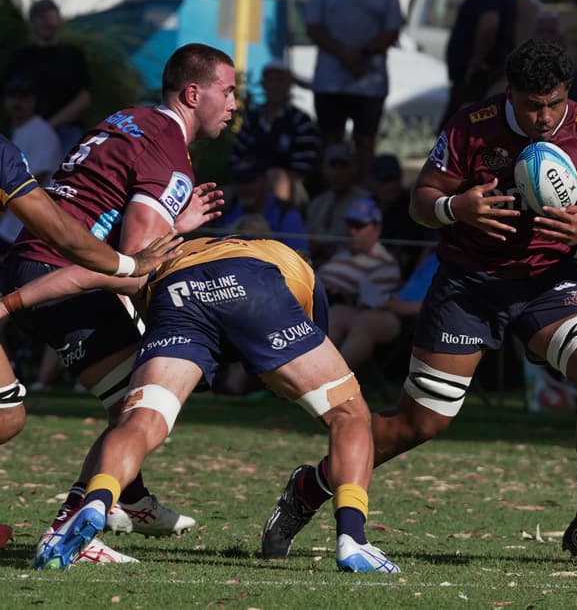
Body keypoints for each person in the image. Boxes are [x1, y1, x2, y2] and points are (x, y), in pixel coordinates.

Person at [261, 39, 577, 573]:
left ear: (567, 94)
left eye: (554, 103)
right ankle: (310, 487)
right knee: (421, 423)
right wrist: (454, 207)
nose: (544, 116)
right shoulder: (472, 125)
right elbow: (420, 203)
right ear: (511, 94)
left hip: (547, 282)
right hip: (468, 284)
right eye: (532, 105)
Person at [4, 235, 398, 573]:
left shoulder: (162, 255)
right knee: (348, 413)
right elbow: (299, 370)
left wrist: (8, 305)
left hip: (177, 293)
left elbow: (81, 275)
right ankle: (353, 539)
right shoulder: (287, 260)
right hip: (253, 284)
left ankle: (98, 500)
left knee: (139, 420)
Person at [0, 42, 233, 564]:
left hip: (32, 258)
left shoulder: (129, 117)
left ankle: (132, 499)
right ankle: (75, 527)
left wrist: (175, 223)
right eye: (229, 90)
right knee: (144, 405)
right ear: (194, 94)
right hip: (62, 276)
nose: (235, 103)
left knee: (127, 400)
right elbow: (132, 266)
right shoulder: (170, 157)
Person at [306, 0, 404, 176]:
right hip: (330, 80)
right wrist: (345, 54)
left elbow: (392, 30)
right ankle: (330, 189)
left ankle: (364, 190)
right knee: (331, 139)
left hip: (369, 81)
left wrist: (361, 54)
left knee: (366, 141)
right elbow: (313, 27)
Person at [317, 197, 402, 368]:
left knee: (336, 316)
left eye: (359, 226)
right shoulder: (341, 253)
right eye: (349, 224)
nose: (352, 231)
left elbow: (371, 303)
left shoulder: (384, 263)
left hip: (338, 305)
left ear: (377, 229)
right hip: (314, 299)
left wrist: (336, 292)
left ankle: (330, 377)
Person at [441, 0, 516, 127]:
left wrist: (474, 63)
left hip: (480, 78)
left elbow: (489, 24)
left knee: (458, 132)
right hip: (484, 76)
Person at [5, 0, 92, 154]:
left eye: (51, 18)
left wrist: (49, 125)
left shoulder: (72, 55)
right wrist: (32, 128)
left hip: (66, 131)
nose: (48, 24)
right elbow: (10, 98)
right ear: (33, 23)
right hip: (29, 133)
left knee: (70, 174)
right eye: (42, 19)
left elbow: (84, 98)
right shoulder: (21, 58)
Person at [229, 59, 320, 209]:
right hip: (249, 180)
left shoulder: (301, 121)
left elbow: (303, 171)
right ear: (263, 84)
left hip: (289, 187)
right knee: (222, 194)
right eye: (271, 80)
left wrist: (266, 181)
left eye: (280, 80)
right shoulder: (252, 119)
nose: (275, 86)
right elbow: (236, 158)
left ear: (289, 85)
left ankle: (278, 227)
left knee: (278, 179)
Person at [0, 75, 62, 250]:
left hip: (24, 231)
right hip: (10, 226)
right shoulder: (20, 129)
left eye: (24, 97)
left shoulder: (42, 133)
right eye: (13, 96)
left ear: (33, 101)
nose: (18, 103)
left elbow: (37, 178)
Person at [217, 158, 310, 257]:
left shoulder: (286, 213)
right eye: (239, 181)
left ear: (265, 181)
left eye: (250, 180)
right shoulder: (227, 210)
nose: (244, 188)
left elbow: (301, 255)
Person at [305, 142, 372, 264]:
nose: (338, 171)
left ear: (354, 168)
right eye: (333, 165)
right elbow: (308, 243)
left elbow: (361, 244)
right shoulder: (317, 203)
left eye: (343, 165)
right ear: (324, 169)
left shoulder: (365, 201)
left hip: (351, 268)